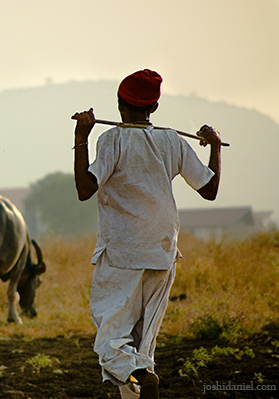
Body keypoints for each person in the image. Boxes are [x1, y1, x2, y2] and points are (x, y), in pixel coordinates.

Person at [72, 69, 222, 399]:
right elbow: (209, 189)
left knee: (111, 341)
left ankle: (141, 374)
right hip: (163, 250)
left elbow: (85, 188)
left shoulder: (112, 139)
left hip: (123, 253)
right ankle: (143, 377)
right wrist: (215, 147)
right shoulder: (172, 140)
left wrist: (81, 136)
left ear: (119, 104)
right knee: (143, 342)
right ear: (153, 108)